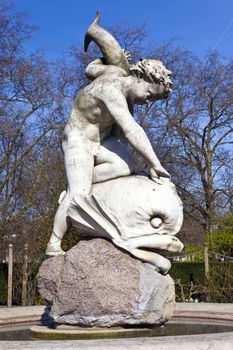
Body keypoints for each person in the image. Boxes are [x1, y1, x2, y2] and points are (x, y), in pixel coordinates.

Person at [46, 53, 173, 256]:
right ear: (141, 79)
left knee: (125, 167)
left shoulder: (116, 74)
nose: (147, 101)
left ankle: (79, 183)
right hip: (79, 140)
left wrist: (104, 60)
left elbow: (91, 68)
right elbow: (131, 128)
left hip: (102, 140)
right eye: (149, 94)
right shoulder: (110, 89)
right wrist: (155, 163)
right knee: (78, 195)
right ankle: (54, 242)